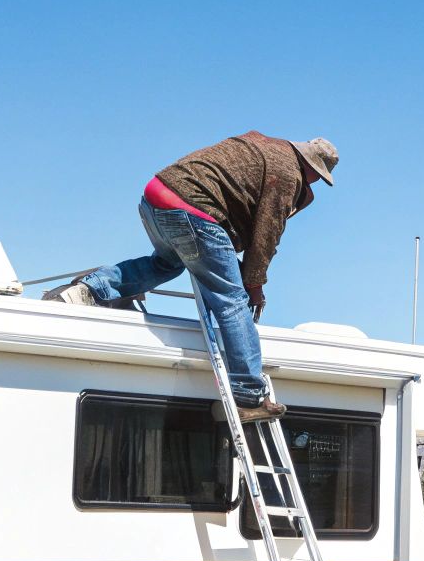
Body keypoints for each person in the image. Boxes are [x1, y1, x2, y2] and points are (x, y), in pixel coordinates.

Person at [46, 132, 337, 422]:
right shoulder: (287, 174)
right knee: (233, 299)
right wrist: (254, 283)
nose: (314, 183)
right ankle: (248, 395)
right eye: (319, 177)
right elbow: (266, 235)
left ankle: (88, 290)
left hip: (156, 195)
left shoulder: (264, 145)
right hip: (195, 210)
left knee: (166, 263)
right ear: (311, 166)